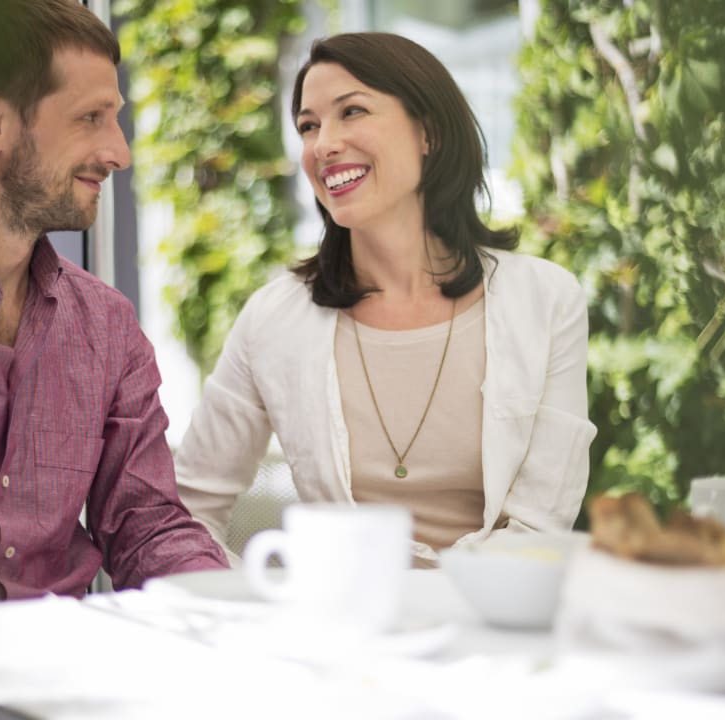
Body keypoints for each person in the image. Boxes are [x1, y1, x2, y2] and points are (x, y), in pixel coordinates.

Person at [175, 32, 597, 567]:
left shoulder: (545, 299)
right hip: (339, 635)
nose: (323, 143)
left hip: (495, 627)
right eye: (308, 125)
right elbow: (185, 513)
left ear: (430, 133)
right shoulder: (273, 319)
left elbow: (541, 524)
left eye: (352, 111)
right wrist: (263, 603)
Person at [0, 0, 228, 606]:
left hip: (65, 681)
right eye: (91, 117)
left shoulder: (107, 324)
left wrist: (231, 611)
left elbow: (149, 528)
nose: (120, 151)